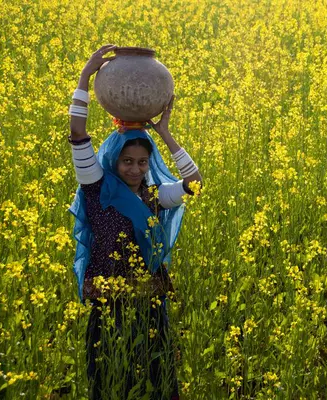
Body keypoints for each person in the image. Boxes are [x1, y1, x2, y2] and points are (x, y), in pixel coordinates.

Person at [67, 44, 201, 400]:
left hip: (149, 301)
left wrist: (165, 134)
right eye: (128, 161)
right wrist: (85, 77)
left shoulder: (153, 196)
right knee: (108, 373)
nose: (136, 169)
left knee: (155, 371)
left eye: (143, 162)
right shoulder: (96, 188)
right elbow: (78, 135)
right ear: (114, 159)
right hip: (108, 302)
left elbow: (194, 185)